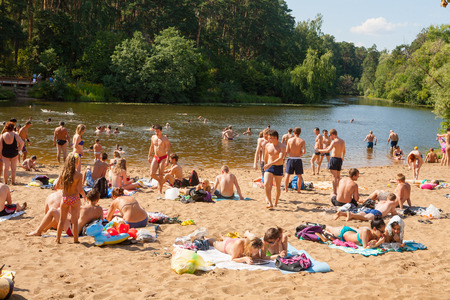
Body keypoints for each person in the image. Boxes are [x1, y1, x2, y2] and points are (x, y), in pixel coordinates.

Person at [27, 190, 103, 237]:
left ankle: (38, 231)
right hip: (83, 231)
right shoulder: (100, 209)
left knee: (53, 211)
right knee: (59, 210)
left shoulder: (82, 208)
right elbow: (101, 221)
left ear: (87, 198)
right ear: (98, 200)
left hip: (73, 232)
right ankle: (46, 228)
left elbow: (71, 219)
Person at [55, 152, 86, 243]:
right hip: (75, 198)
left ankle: (58, 239)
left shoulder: (63, 173)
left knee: (61, 220)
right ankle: (76, 240)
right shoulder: (79, 175)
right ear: (77, 163)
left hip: (65, 198)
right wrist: (84, 195)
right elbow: (80, 189)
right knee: (75, 221)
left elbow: (57, 186)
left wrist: (66, 187)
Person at [263, 130, 286, 209]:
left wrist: (270, 163)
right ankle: (270, 202)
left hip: (278, 167)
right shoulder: (268, 145)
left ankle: (276, 202)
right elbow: (266, 156)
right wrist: (265, 163)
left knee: (278, 186)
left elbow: (280, 158)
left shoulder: (282, 146)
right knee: (266, 184)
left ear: (275, 138)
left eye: (270, 138)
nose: (269, 140)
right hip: (269, 167)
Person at [318, 128, 346, 195]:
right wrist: (343, 158)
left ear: (333, 135)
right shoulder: (342, 141)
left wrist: (319, 150)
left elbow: (328, 150)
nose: (330, 137)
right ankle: (339, 190)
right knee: (338, 176)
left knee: (334, 177)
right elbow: (344, 151)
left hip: (334, 159)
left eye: (330, 135)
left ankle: (334, 191)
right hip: (339, 159)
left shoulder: (334, 141)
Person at [148, 124, 171, 194]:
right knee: (152, 174)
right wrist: (149, 156)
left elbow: (168, 150)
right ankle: (161, 181)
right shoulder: (153, 137)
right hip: (156, 157)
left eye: (158, 131)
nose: (156, 133)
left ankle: (160, 190)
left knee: (161, 174)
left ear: (161, 131)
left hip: (163, 157)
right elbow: (151, 147)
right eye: (155, 131)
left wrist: (167, 160)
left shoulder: (165, 139)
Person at [284, 127, 306, 193]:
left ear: (294, 132)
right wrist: (300, 153)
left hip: (291, 158)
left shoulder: (289, 140)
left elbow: (287, 150)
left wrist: (284, 157)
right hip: (298, 159)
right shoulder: (302, 141)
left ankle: (286, 189)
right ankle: (298, 190)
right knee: (299, 175)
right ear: (300, 133)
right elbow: (304, 151)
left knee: (287, 174)